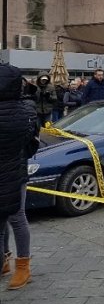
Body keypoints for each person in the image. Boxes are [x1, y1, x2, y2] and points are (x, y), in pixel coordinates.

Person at [0, 63, 40, 289]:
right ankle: (5, 258)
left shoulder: (25, 109)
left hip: (16, 169)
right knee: (2, 217)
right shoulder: (26, 108)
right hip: (14, 165)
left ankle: (23, 265)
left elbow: (31, 142)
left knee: (16, 216)